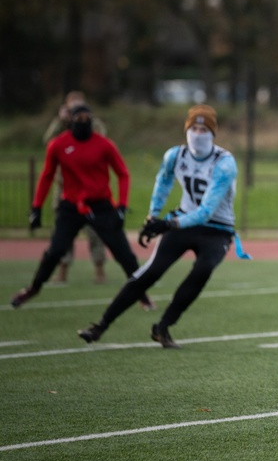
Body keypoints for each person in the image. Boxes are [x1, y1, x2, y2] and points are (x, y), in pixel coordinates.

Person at [78, 105, 241, 349]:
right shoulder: (175, 155)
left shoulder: (224, 163)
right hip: (184, 221)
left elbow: (206, 211)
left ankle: (163, 327)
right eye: (194, 128)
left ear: (213, 133)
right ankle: (101, 325)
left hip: (216, 229)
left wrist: (168, 224)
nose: (198, 133)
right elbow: (162, 183)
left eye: (203, 129)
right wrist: (152, 217)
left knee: (203, 269)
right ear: (186, 130)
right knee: (151, 271)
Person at [10, 104, 155, 311]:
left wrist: (122, 205)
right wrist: (36, 207)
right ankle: (33, 288)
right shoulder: (58, 145)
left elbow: (123, 173)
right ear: (69, 121)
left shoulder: (104, 145)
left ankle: (142, 295)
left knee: (123, 253)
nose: (83, 122)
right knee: (56, 250)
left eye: (87, 118)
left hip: (101, 205)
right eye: (79, 119)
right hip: (70, 206)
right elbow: (47, 176)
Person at [43, 91, 109, 284]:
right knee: (63, 233)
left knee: (95, 231)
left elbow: (100, 141)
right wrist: (61, 122)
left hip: (91, 190)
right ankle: (62, 270)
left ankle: (99, 269)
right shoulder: (62, 128)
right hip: (65, 189)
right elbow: (49, 143)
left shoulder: (94, 125)